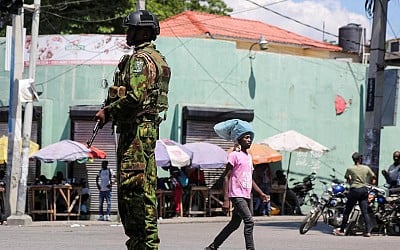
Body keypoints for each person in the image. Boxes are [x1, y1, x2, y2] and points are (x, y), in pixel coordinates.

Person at [95, 10, 170, 250]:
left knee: (133, 192)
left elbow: (136, 97)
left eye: (132, 29)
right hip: (145, 131)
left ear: (145, 31)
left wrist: (109, 111)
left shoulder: (140, 60)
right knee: (143, 189)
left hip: (136, 132)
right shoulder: (158, 58)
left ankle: (143, 245)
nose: (127, 33)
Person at [205, 120, 269, 250]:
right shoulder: (234, 155)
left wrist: (261, 193)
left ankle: (212, 247)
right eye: (246, 137)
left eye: (250, 137)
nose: (249, 140)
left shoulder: (248, 157)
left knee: (234, 224)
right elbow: (226, 177)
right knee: (249, 222)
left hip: (245, 195)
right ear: (239, 139)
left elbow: (250, 179)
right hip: (236, 194)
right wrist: (226, 199)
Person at [333, 152, 376, 237]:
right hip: (364, 190)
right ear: (360, 159)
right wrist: (372, 184)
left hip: (354, 190)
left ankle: (342, 230)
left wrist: (351, 181)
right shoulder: (366, 168)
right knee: (365, 212)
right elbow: (373, 177)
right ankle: (368, 232)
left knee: (347, 211)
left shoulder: (350, 169)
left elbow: (347, 178)